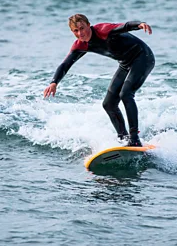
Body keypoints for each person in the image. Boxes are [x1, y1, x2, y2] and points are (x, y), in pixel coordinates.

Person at [43, 14, 155, 147]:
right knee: (109, 104)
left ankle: (135, 139)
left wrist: (139, 25)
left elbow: (123, 27)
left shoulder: (103, 30)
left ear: (89, 25)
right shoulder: (81, 45)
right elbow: (65, 64)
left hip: (143, 57)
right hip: (125, 63)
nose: (80, 33)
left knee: (126, 94)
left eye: (82, 28)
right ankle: (123, 138)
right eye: (76, 31)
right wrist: (54, 82)